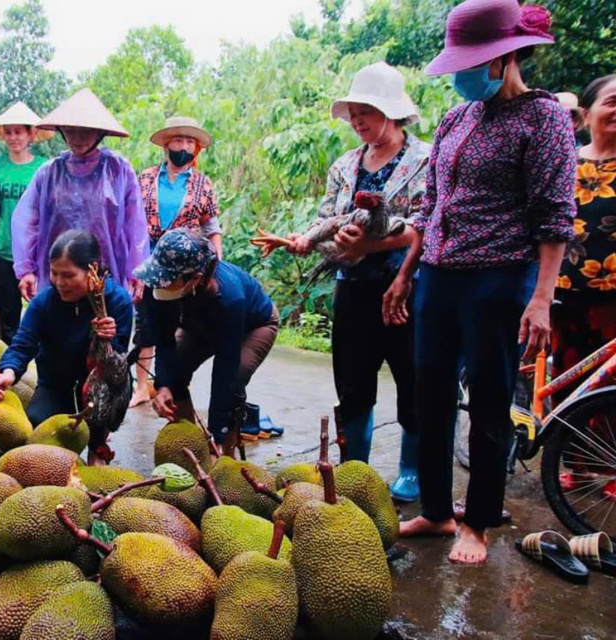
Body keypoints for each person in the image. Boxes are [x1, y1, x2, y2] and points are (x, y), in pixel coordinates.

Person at [382, 0, 576, 564]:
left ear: (504, 59)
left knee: (490, 401)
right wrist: (405, 273)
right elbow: (432, 205)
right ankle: (440, 512)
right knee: (430, 393)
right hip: (438, 275)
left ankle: (479, 521)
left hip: (498, 277)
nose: (463, 75)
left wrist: (541, 297)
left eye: (473, 63)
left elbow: (553, 216)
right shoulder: (455, 119)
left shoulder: (543, 119)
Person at [252, 62, 430, 502]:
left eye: (364, 111)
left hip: (405, 286)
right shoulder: (345, 165)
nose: (357, 121)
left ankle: (411, 468)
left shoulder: (425, 160)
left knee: (414, 378)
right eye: (352, 114)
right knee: (352, 382)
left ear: (390, 110)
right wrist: (310, 241)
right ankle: (356, 471)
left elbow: (429, 224)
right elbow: (326, 221)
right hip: (352, 286)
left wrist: (371, 246)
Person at [0, 229, 133, 465]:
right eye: (54, 273)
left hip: (98, 388)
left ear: (92, 269)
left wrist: (107, 340)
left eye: (68, 275)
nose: (59, 282)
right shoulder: (44, 302)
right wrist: (6, 373)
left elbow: (116, 369)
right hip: (55, 383)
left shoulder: (118, 302)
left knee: (102, 405)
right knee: (37, 428)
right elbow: (22, 345)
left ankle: (98, 442)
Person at [136, 228, 279, 457]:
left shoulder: (229, 298)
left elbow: (226, 369)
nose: (159, 283)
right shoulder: (156, 284)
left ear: (195, 278)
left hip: (255, 325)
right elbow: (163, 339)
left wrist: (218, 431)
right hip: (198, 324)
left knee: (235, 379)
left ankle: (226, 452)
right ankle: (190, 444)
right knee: (176, 372)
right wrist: (163, 385)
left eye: (168, 279)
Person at [11, 88, 149, 301]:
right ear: (62, 131)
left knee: (104, 327)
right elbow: (26, 223)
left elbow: (135, 225)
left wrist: (137, 270)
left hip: (105, 271)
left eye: (86, 131)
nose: (78, 138)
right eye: (71, 131)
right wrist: (26, 269)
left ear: (100, 133)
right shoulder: (49, 173)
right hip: (58, 276)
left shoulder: (118, 170)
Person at [131, 116, 224, 408]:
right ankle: (142, 386)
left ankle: (171, 384)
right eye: (178, 140)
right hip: (151, 260)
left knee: (180, 324)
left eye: (189, 142)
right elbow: (131, 223)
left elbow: (211, 226)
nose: (183, 146)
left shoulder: (202, 184)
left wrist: (216, 261)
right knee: (146, 323)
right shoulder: (145, 178)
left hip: (187, 265)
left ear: (195, 148)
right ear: (166, 144)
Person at [554, 75, 616, 497]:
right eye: (612, 101)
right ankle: (576, 466)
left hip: (614, 297)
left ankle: (611, 470)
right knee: (570, 380)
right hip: (566, 293)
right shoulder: (567, 163)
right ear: (588, 112)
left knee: (611, 386)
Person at [0, 102, 53, 343]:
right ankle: (10, 370)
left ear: (31, 133)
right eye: (8, 132)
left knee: (44, 313)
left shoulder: (45, 168)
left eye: (18, 131)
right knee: (7, 317)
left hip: (40, 254)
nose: (13, 137)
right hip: (5, 253)